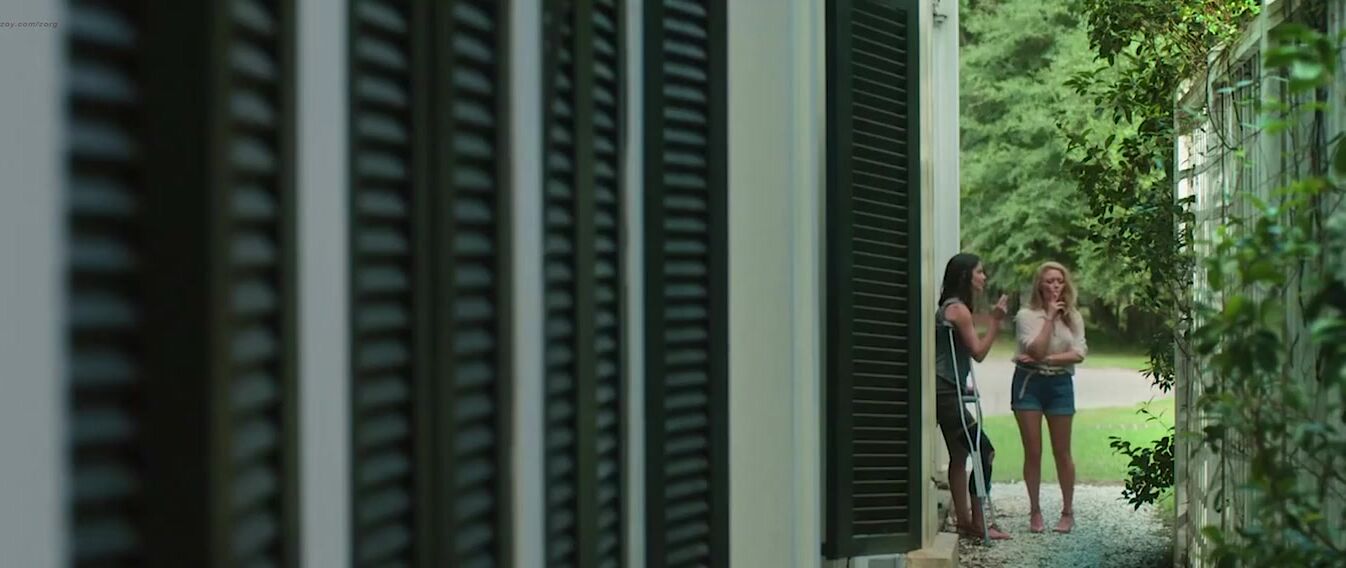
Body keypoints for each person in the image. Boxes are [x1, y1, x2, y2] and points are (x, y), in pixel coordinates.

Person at [935, 253, 1011, 540]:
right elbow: (978, 352)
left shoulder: (949, 307)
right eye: (979, 272)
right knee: (984, 451)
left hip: (946, 387)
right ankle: (979, 524)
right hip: (946, 392)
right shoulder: (959, 311)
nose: (984, 277)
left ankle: (965, 522)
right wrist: (995, 322)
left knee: (959, 454)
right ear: (966, 276)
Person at [1012, 261, 1087, 534]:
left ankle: (1067, 512)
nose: (1055, 286)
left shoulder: (1074, 316)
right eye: (1049, 281)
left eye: (1059, 281)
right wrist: (1050, 318)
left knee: (1062, 451)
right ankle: (1035, 511)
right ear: (1039, 286)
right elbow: (1035, 348)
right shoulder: (1026, 316)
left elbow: (1079, 352)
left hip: (1060, 385)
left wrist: (1048, 359)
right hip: (1029, 384)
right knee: (1033, 451)